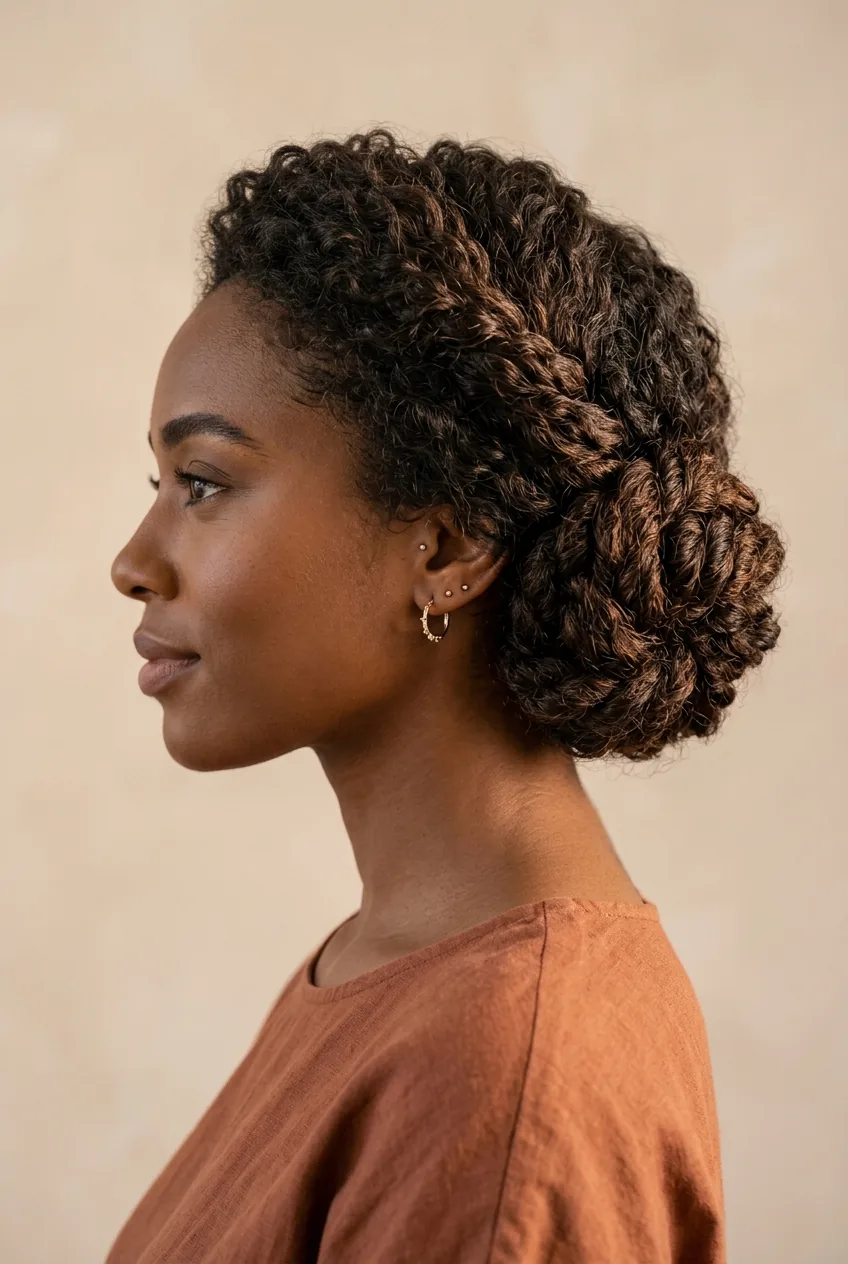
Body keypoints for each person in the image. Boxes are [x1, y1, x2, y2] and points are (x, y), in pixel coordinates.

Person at [105, 127, 785, 1263]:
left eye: (205, 484)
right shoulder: (396, 962)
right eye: (159, 483)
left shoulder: (507, 1066)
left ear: (449, 546)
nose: (133, 558)